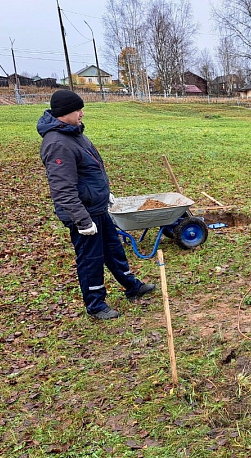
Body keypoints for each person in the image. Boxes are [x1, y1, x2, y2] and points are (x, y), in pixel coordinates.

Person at [37, 90, 155, 319]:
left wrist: (105, 193)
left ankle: (132, 286)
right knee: (91, 260)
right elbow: (63, 189)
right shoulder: (57, 143)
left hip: (97, 207)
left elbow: (90, 171)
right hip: (83, 214)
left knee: (113, 250)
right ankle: (96, 305)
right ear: (64, 113)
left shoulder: (74, 133)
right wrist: (82, 221)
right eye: (77, 110)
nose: (82, 113)